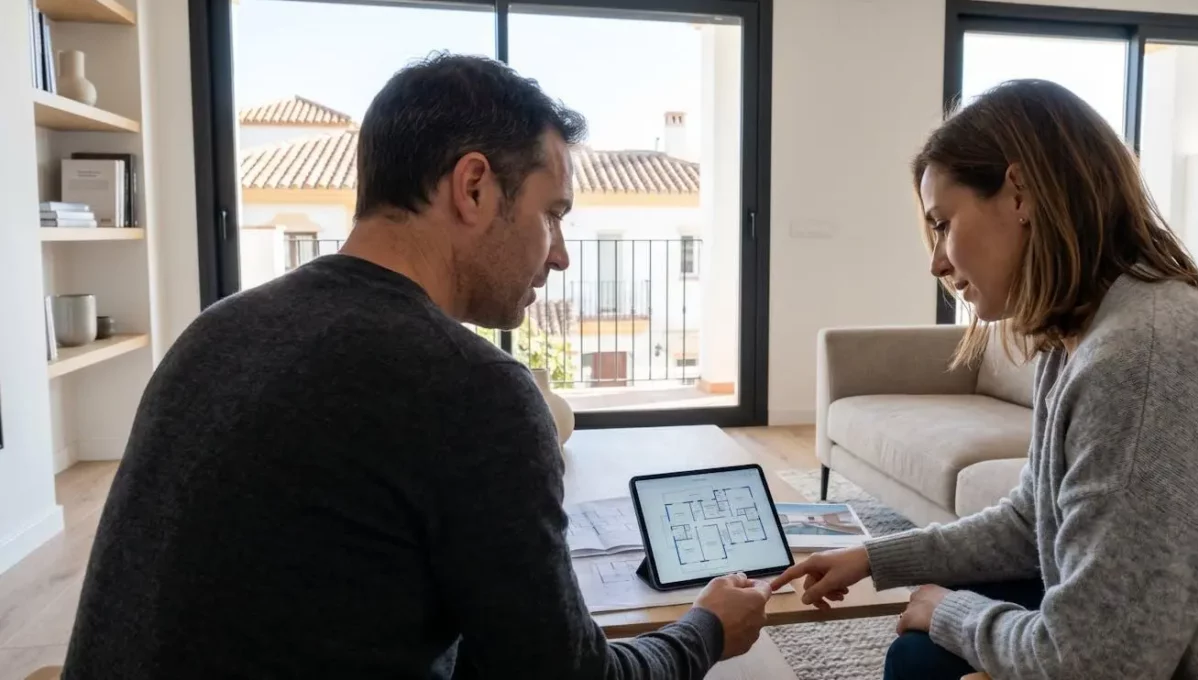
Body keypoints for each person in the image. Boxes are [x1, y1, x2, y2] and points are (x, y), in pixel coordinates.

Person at [63, 52, 772, 679]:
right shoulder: (470, 387)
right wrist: (705, 629)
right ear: (473, 188)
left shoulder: (217, 330)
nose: (559, 253)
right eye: (553, 214)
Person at [771, 78, 1198, 679]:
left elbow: (1094, 665)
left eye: (943, 224)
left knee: (922, 658)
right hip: (1174, 636)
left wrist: (950, 612)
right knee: (927, 645)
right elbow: (1030, 520)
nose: (937, 261)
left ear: (1021, 194)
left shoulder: (1143, 364)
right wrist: (875, 557)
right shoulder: (1086, 329)